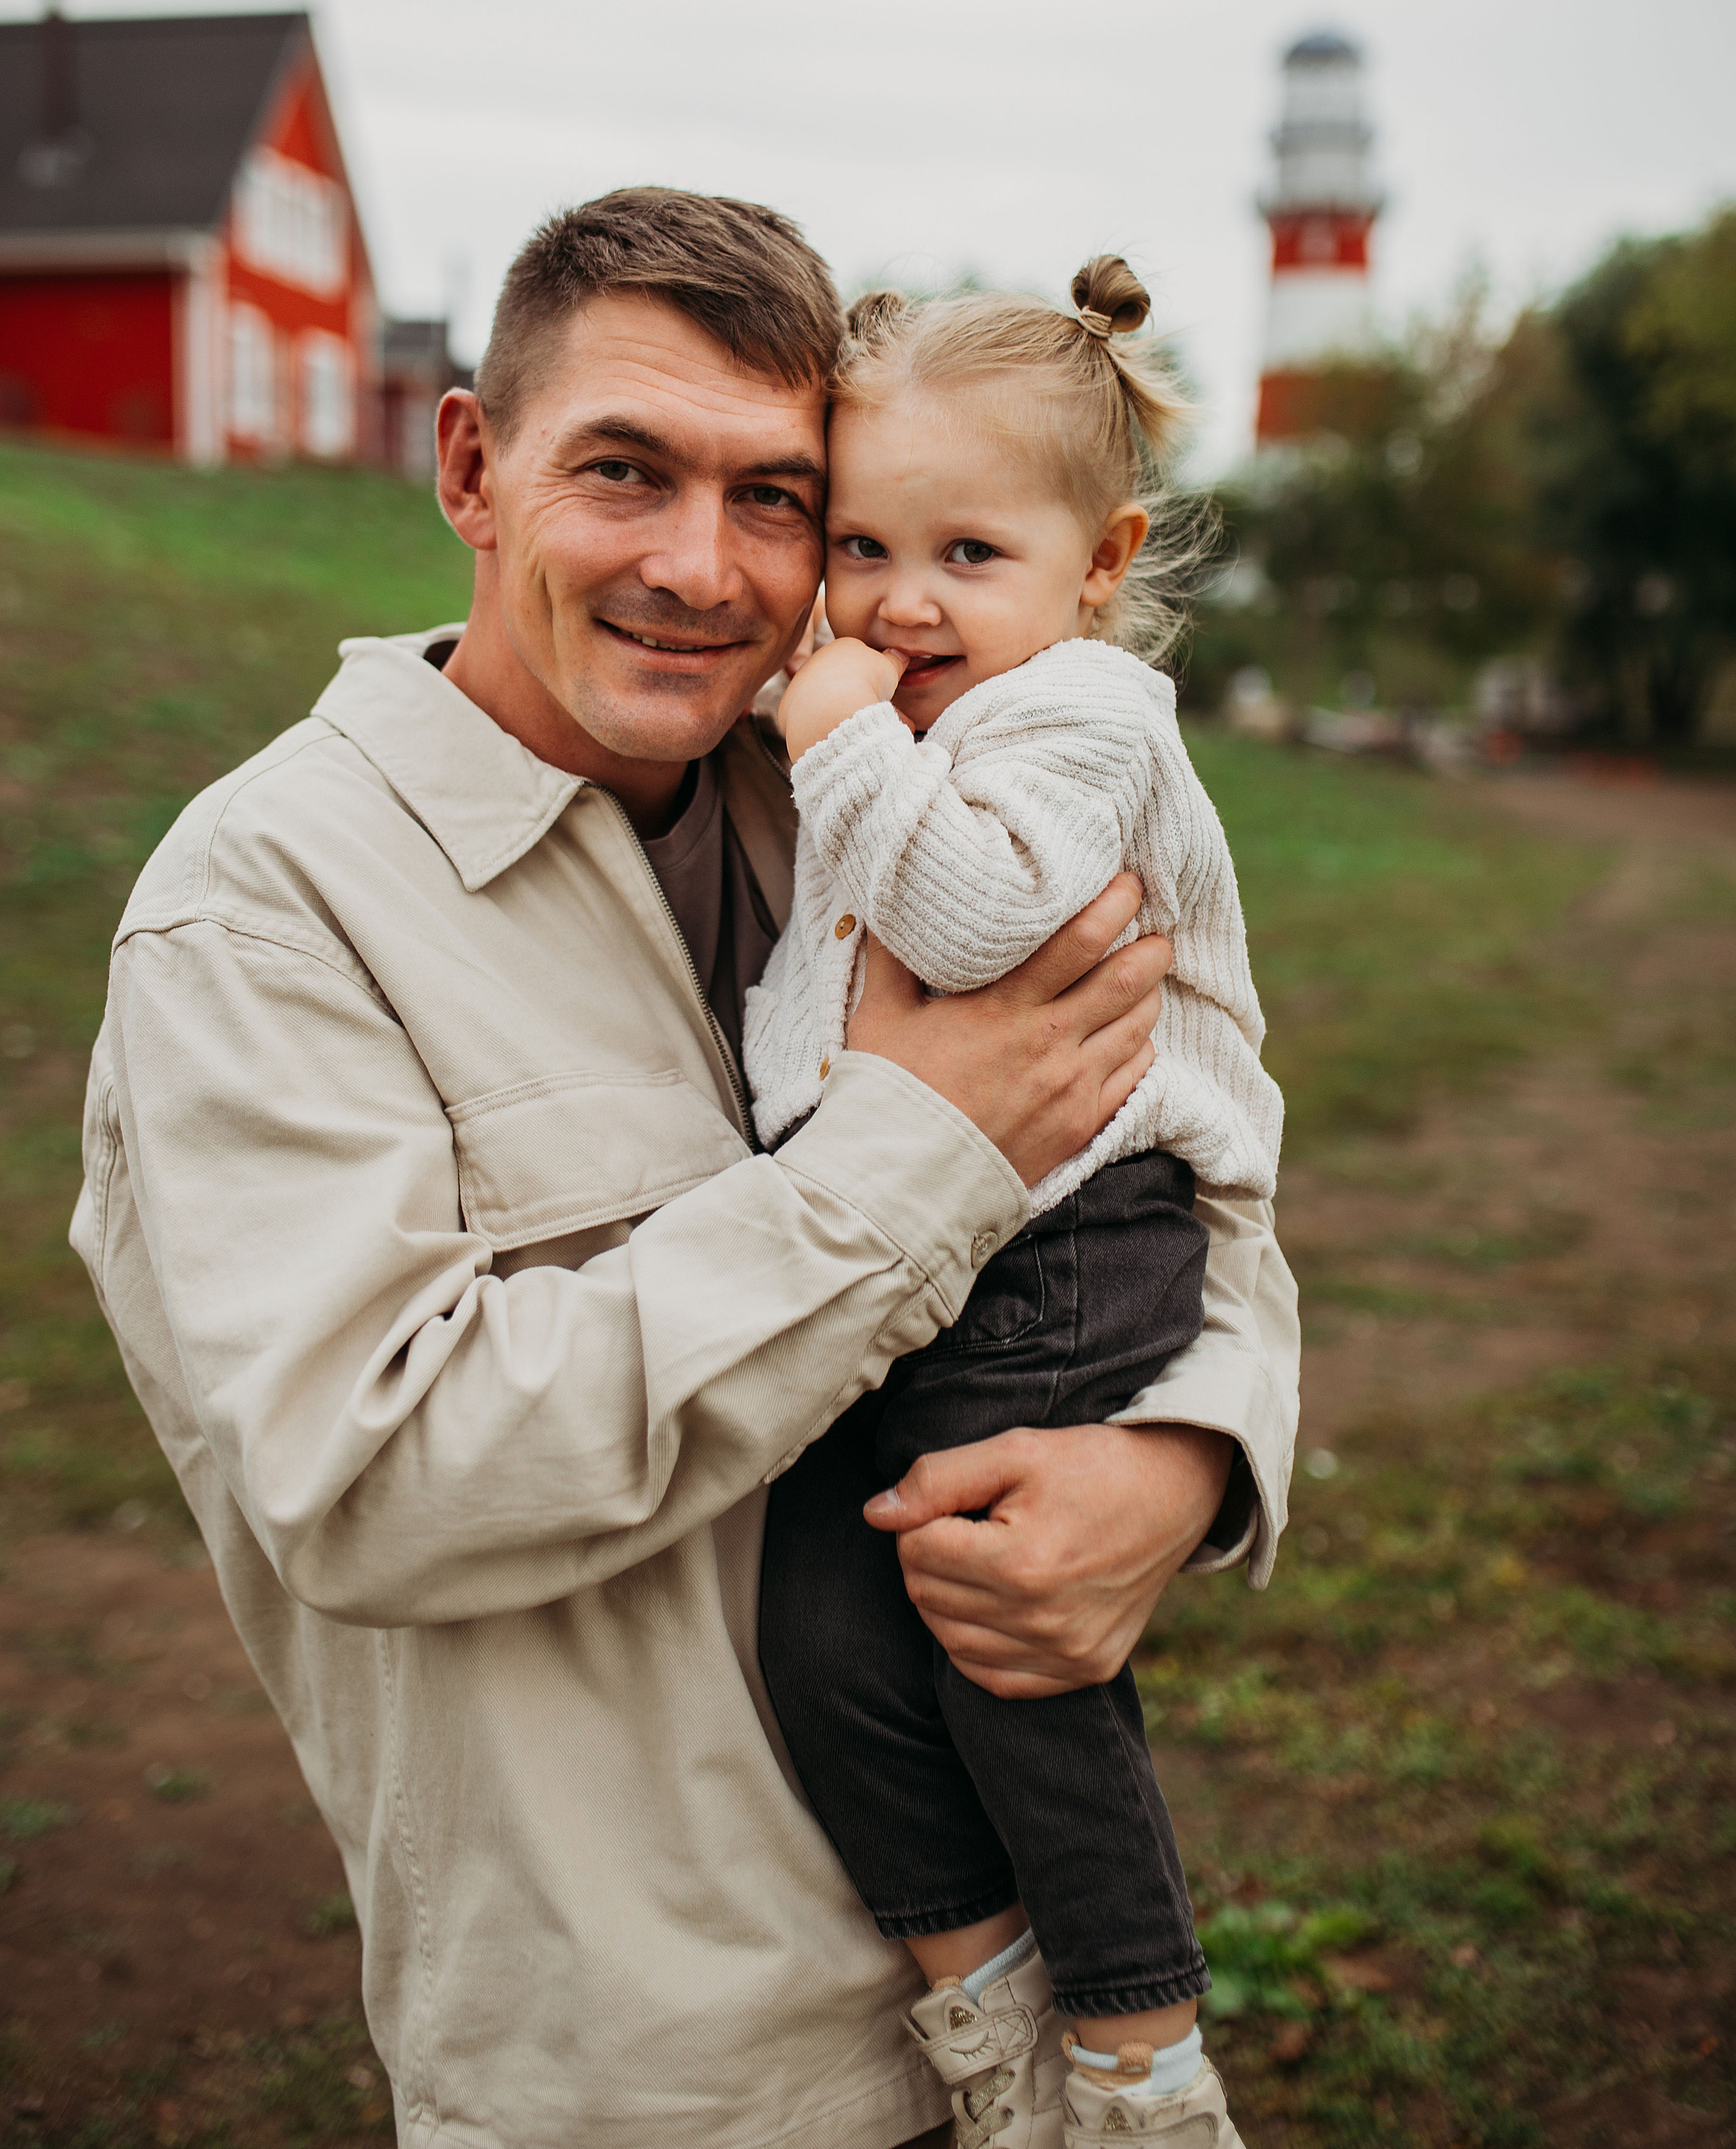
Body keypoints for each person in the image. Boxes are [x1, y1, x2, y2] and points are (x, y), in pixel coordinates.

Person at [71, 188, 1299, 2149]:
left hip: (1010, 1998)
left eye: (776, 497)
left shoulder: (873, 782)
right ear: (470, 465)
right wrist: (920, 1151)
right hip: (659, 2072)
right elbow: (374, 1482)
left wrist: (1192, 1449)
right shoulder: (266, 916)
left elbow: (1185, 1122)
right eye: (624, 473)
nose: (700, 567)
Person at [749, 261, 1279, 2146]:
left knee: (996, 1631)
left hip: (1072, 1241)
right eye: (866, 543)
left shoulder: (1081, 718)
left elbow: (974, 919)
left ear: (1098, 561)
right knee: (821, 1629)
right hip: (920, 1249)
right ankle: (982, 1995)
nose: (900, 600)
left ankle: (1140, 2053)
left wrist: (830, 736)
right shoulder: (910, 713)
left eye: (968, 549)